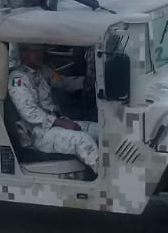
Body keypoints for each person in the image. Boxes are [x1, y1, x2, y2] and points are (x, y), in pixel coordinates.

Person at [7, 43, 99, 174]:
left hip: (55, 123)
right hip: (38, 133)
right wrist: (62, 123)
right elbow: (30, 113)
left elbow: (61, 82)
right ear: (23, 54)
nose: (40, 55)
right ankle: (107, 179)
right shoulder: (18, 79)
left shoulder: (41, 70)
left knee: (99, 131)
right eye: (35, 51)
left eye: (40, 51)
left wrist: (89, 82)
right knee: (83, 141)